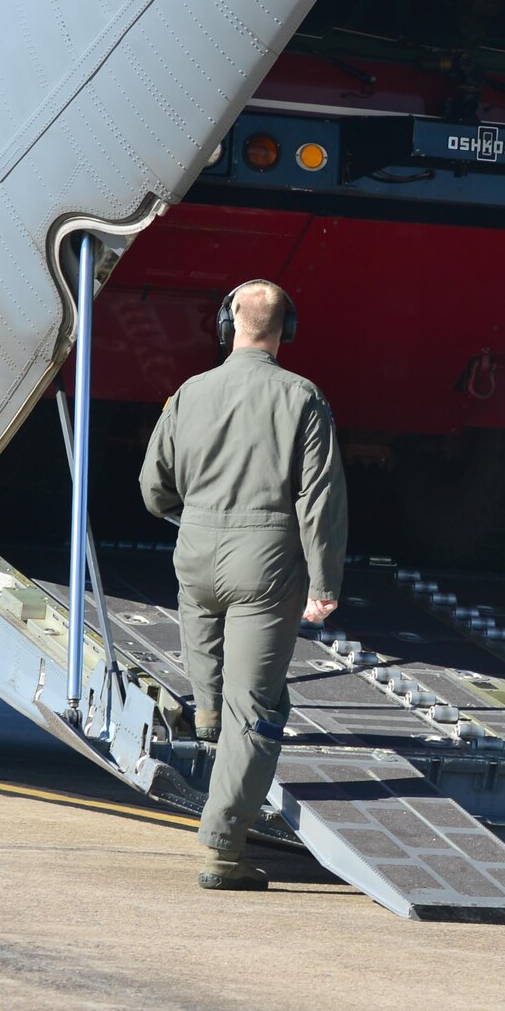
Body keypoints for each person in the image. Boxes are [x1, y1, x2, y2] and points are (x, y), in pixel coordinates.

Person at [140, 280, 348, 891]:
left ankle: (204, 716)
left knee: (213, 698)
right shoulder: (302, 398)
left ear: (227, 326)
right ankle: (222, 850)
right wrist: (324, 581)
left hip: (195, 557)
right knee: (255, 711)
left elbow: (154, 492)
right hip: (265, 567)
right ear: (287, 329)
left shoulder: (189, 394)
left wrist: (198, 519)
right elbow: (319, 499)